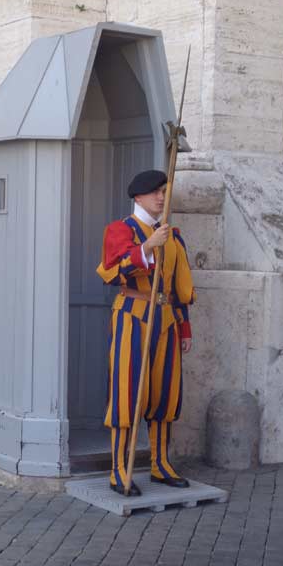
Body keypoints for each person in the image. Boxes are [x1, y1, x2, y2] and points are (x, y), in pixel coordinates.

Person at [96, 169, 195, 496]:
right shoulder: (120, 230)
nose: (162, 197)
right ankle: (118, 469)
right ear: (138, 196)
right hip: (132, 316)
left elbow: (178, 287)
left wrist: (184, 326)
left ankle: (160, 464)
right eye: (155, 192)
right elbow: (112, 273)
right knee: (127, 392)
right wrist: (148, 248)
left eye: (165, 191)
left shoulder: (173, 235)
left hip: (165, 319)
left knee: (164, 394)